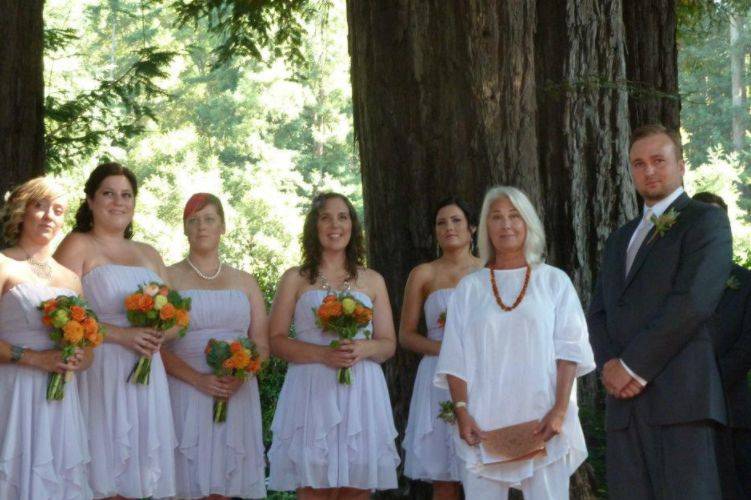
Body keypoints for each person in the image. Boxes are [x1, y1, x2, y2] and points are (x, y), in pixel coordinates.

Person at [587, 124, 732, 499]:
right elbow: (599, 311)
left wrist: (633, 366)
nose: (648, 171)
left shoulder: (705, 221)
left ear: (681, 165)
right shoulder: (620, 238)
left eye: (658, 161)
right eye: (638, 164)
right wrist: (609, 368)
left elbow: (693, 301)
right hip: (625, 407)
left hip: (681, 402)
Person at [434, 186, 594, 499]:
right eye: (497, 217)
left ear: (528, 223)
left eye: (514, 216)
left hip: (542, 419)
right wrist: (462, 411)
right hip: (484, 422)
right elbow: (455, 356)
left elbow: (569, 350)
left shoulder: (553, 281)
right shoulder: (469, 288)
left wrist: (560, 409)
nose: (506, 224)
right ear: (484, 226)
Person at [54, 163, 177, 499]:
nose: (118, 202)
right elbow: (62, 314)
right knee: (103, 474)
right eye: (108, 193)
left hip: (148, 371)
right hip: (101, 369)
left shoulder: (149, 253)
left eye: (126, 195)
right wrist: (122, 335)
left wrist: (161, 334)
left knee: (142, 477)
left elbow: (178, 316)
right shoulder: (77, 245)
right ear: (91, 200)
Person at [267, 192, 400, 499]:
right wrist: (323, 355)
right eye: (326, 217)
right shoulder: (295, 279)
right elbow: (275, 341)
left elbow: (388, 343)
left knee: (356, 487)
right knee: (313, 486)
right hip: (311, 392)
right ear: (314, 226)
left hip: (361, 394)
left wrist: (363, 349)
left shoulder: (373, 280)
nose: (335, 225)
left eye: (343, 217)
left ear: (352, 225)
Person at [162, 193, 269, 499]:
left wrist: (241, 376)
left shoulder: (246, 282)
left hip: (235, 390)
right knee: (188, 486)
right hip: (185, 388)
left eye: (209, 219)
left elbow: (261, 344)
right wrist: (198, 380)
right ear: (184, 229)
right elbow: (157, 346)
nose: (201, 227)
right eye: (192, 221)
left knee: (225, 487)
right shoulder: (168, 278)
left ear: (223, 226)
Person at [0, 177, 93, 499]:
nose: (48, 215)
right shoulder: (3, 264)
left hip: (60, 400)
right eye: (40, 206)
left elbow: (89, 346)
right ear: (22, 210)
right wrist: (36, 359)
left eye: (57, 209)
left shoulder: (71, 279)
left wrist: (80, 358)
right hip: (12, 392)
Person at [400, 196, 481, 498]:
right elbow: (406, 335)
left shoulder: (489, 271)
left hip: (481, 373)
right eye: (441, 222)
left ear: (472, 227)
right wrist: (445, 349)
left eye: (457, 220)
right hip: (438, 374)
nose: (449, 227)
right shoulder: (424, 274)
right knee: (444, 476)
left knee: (483, 469)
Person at [693, 191, 751, 499]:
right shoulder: (675, 281)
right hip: (685, 413)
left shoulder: (745, 282)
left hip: (733, 410)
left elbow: (747, 346)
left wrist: (709, 382)